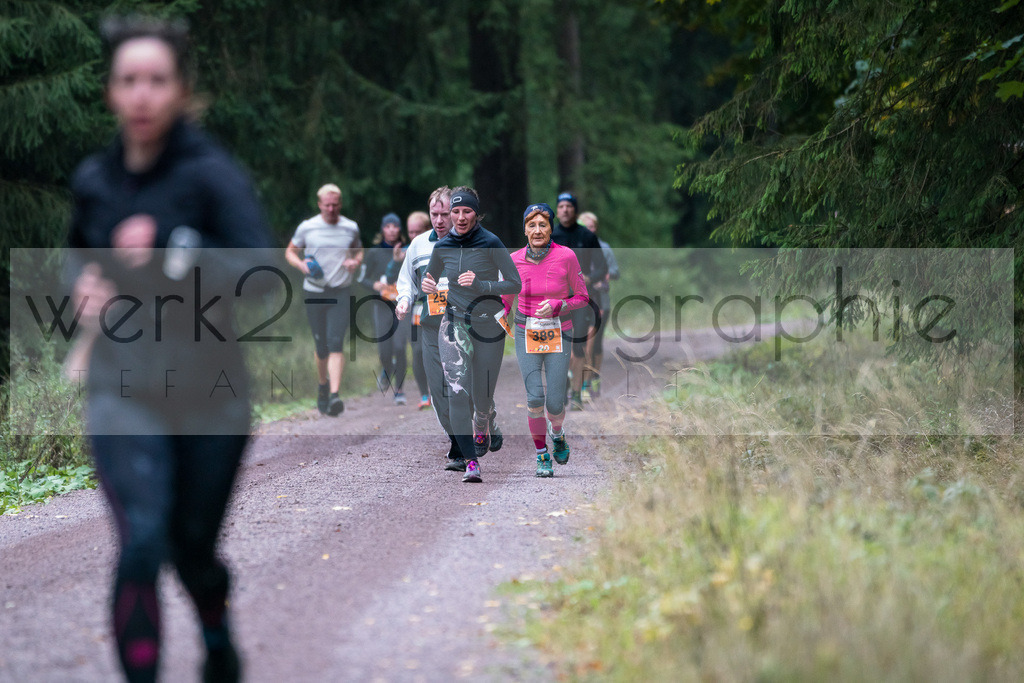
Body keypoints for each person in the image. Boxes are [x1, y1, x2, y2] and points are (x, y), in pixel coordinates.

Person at [67, 15, 276, 682]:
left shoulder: (211, 175)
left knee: (191, 550)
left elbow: (260, 276)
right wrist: (82, 287)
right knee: (141, 539)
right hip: (121, 387)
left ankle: (215, 632)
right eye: (129, 80)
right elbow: (76, 254)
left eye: (157, 80)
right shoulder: (95, 180)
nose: (142, 94)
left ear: (181, 90)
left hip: (210, 396)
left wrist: (174, 253)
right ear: (111, 92)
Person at [421, 187, 521, 482]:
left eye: (466, 212)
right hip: (454, 324)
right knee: (456, 391)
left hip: (488, 325)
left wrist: (483, 285)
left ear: (476, 214)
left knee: (481, 395)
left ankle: (485, 418)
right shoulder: (442, 247)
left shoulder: (491, 242)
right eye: (455, 212)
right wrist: (426, 287)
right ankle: (470, 461)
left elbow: (514, 284)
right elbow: (430, 278)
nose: (460, 217)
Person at [502, 204, 589, 477]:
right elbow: (505, 298)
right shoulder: (513, 260)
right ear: (524, 229)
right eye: (531, 225)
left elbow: (582, 297)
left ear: (551, 227)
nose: (537, 230)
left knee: (553, 402)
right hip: (525, 332)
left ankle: (558, 432)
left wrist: (559, 305)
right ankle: (541, 455)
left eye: (543, 224)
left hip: (559, 331)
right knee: (535, 396)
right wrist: (498, 313)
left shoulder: (567, 257)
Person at [395, 187, 471, 469]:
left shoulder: (471, 242)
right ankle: (457, 441)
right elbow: (406, 283)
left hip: (463, 325)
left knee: (460, 387)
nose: (439, 220)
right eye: (434, 214)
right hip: (430, 326)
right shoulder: (418, 246)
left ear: (455, 213)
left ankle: (477, 431)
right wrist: (403, 302)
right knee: (438, 391)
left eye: (444, 214)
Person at [285, 183, 363, 416]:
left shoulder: (351, 227)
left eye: (335, 204)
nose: (331, 208)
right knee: (321, 347)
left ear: (340, 204)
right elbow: (289, 251)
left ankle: (335, 396)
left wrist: (355, 261)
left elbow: (359, 251)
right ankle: (322, 385)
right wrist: (301, 265)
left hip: (340, 290)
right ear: (319, 204)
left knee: (336, 342)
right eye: (327, 205)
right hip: (315, 292)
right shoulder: (308, 228)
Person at [552, 192, 608, 410]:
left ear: (575, 210)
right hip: (556, 300)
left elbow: (602, 266)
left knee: (579, 346)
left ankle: (576, 394)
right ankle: (564, 381)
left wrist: (589, 278)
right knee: (558, 348)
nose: (565, 210)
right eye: (561, 206)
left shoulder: (587, 236)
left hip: (581, 299)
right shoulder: (551, 235)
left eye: (569, 206)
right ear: (557, 211)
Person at [362, 212, 410, 404]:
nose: (391, 230)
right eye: (388, 226)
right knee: (384, 351)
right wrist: (374, 285)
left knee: (399, 347)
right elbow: (362, 278)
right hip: (381, 305)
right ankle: (387, 370)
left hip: (401, 304)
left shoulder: (406, 251)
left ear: (399, 229)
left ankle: (399, 390)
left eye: (395, 226)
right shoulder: (374, 252)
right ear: (383, 230)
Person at [577, 211, 619, 399]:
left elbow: (615, 271)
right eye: (585, 227)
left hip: (601, 301)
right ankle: (580, 381)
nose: (589, 230)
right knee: (581, 343)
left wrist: (603, 278)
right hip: (580, 301)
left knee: (595, 344)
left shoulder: (604, 247)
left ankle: (594, 377)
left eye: (592, 227)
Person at [393, 211, 432, 409]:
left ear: (427, 229)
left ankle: (446, 391)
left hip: (439, 307)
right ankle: (425, 394)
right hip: (416, 308)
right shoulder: (408, 251)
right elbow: (397, 278)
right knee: (417, 351)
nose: (414, 236)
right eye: (410, 232)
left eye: (418, 231)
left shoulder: (438, 246)